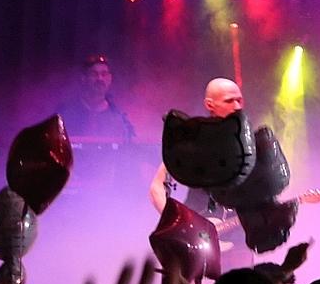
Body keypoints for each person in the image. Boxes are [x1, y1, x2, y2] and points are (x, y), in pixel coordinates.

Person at [150, 77, 248, 217]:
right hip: (198, 226)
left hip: (234, 228)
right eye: (229, 101)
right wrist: (178, 220)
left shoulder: (248, 144)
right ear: (209, 105)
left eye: (239, 100)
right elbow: (157, 188)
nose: (237, 107)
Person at [60, 54, 138, 144]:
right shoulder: (67, 114)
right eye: (94, 74)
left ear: (110, 78)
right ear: (84, 78)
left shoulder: (120, 119)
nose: (100, 79)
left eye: (104, 74)